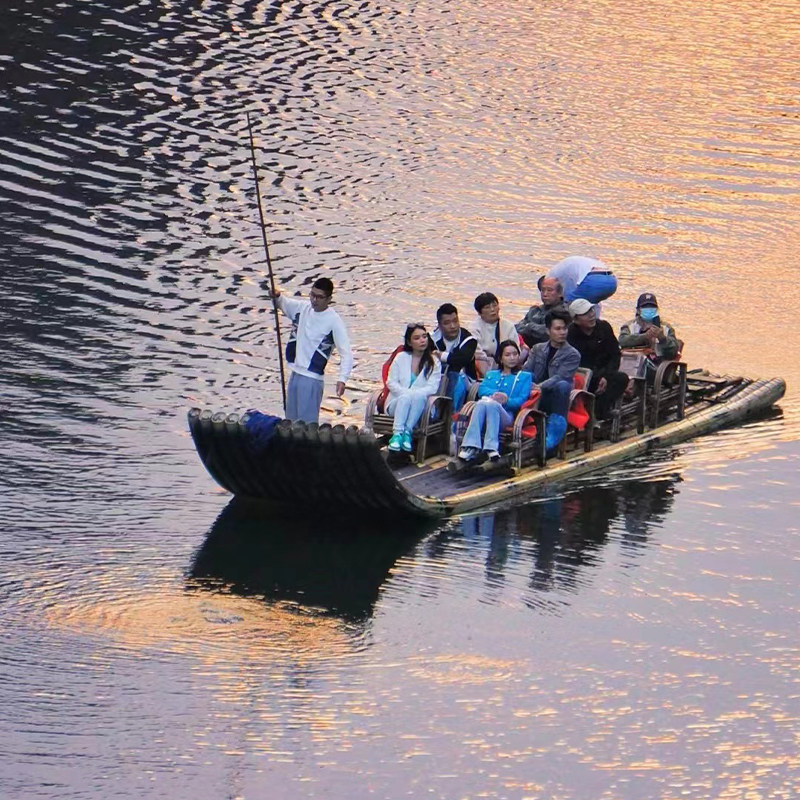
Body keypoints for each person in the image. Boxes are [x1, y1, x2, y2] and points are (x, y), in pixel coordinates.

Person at [272, 277, 353, 424]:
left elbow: (346, 353)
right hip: (295, 374)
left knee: (306, 426)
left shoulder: (334, 321)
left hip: (312, 379)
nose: (314, 300)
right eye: (312, 295)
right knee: (289, 423)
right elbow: (283, 303)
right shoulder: (303, 308)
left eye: (320, 297)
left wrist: (342, 379)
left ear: (329, 299)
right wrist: (277, 296)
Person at [458, 340, 533, 462]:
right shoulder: (492, 374)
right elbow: (482, 390)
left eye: (515, 354)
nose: (512, 358)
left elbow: (521, 400)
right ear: (501, 358)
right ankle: (471, 446)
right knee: (482, 402)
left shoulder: (525, 376)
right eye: (508, 355)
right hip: (486, 409)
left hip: (507, 416)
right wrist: (495, 395)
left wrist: (506, 400)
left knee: (491, 404)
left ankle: (489, 447)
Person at [521, 309, 580, 445]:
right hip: (533, 393)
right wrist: (527, 384)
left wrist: (539, 387)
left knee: (563, 385)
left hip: (552, 395)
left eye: (564, 328)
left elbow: (559, 377)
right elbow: (526, 370)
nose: (562, 332)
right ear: (548, 331)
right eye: (558, 329)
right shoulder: (537, 349)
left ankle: (553, 433)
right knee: (527, 376)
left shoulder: (572, 354)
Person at [567, 298, 628, 421]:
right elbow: (576, 363)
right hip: (585, 375)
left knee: (621, 379)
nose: (591, 315)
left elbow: (615, 354)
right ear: (576, 319)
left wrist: (606, 376)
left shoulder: (604, 327)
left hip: (606, 372)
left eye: (591, 311)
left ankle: (601, 411)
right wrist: (596, 377)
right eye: (585, 313)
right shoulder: (571, 335)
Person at [385, 324, 442, 452]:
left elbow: (432, 388)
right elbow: (391, 382)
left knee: (419, 396)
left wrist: (413, 395)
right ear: (409, 342)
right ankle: (397, 434)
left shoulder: (434, 362)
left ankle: (407, 432)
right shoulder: (401, 357)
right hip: (397, 402)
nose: (422, 340)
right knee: (405, 397)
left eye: (424, 336)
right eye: (417, 338)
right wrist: (407, 394)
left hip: (421, 405)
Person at [431, 303, 478, 407]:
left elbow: (462, 360)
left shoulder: (469, 339)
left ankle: (452, 415)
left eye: (455, 321)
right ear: (439, 325)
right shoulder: (431, 339)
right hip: (438, 377)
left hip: (466, 380)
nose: (453, 326)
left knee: (456, 376)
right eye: (447, 323)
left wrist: (442, 356)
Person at [472, 292, 527, 378]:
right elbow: (477, 352)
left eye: (494, 305)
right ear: (479, 312)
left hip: (507, 364)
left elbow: (515, 348)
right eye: (487, 307)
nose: (492, 309)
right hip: (483, 365)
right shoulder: (474, 328)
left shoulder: (508, 325)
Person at [618, 292, 680, 365]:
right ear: (638, 310)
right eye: (645, 307)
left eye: (652, 307)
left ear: (657, 309)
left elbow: (674, 351)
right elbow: (622, 341)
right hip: (633, 365)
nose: (649, 310)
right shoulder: (629, 326)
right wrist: (644, 336)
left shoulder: (666, 328)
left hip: (659, 366)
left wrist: (662, 338)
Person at [515, 275, 568, 347]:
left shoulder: (564, 312)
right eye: (543, 290)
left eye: (549, 290)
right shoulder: (534, 310)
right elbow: (517, 327)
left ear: (560, 293)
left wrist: (529, 327)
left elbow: (547, 332)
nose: (545, 294)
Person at [548, 255, 617, 306]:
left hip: (593, 279)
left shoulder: (552, 277)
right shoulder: (562, 267)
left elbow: (567, 295)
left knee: (570, 305)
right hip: (612, 280)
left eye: (548, 290)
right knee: (591, 304)